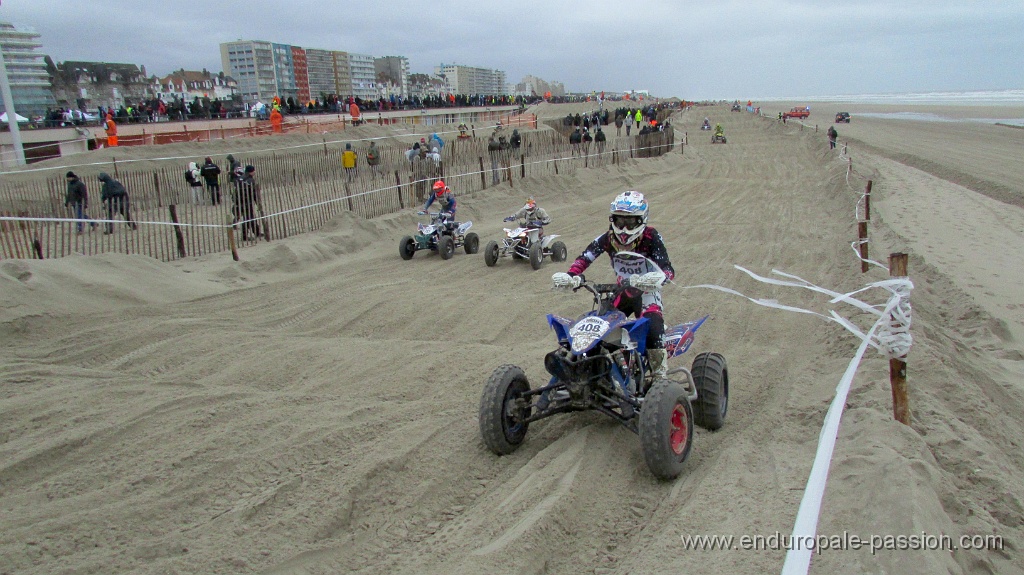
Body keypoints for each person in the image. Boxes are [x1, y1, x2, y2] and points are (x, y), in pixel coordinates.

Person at [551, 190, 675, 380]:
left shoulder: (651, 237)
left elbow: (668, 269)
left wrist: (656, 278)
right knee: (599, 326)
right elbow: (585, 257)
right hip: (621, 291)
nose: (624, 228)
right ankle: (595, 367)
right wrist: (571, 276)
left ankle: (659, 377)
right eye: (619, 221)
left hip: (647, 292)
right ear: (612, 219)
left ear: (642, 220)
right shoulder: (607, 238)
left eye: (631, 222)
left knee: (653, 327)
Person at [236, 165, 263, 241]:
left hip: (239, 201)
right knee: (247, 218)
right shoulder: (250, 180)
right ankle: (245, 236)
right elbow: (253, 193)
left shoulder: (239, 178)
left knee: (251, 217)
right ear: (251, 171)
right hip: (247, 202)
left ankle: (256, 232)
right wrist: (257, 202)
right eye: (254, 170)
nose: (254, 172)